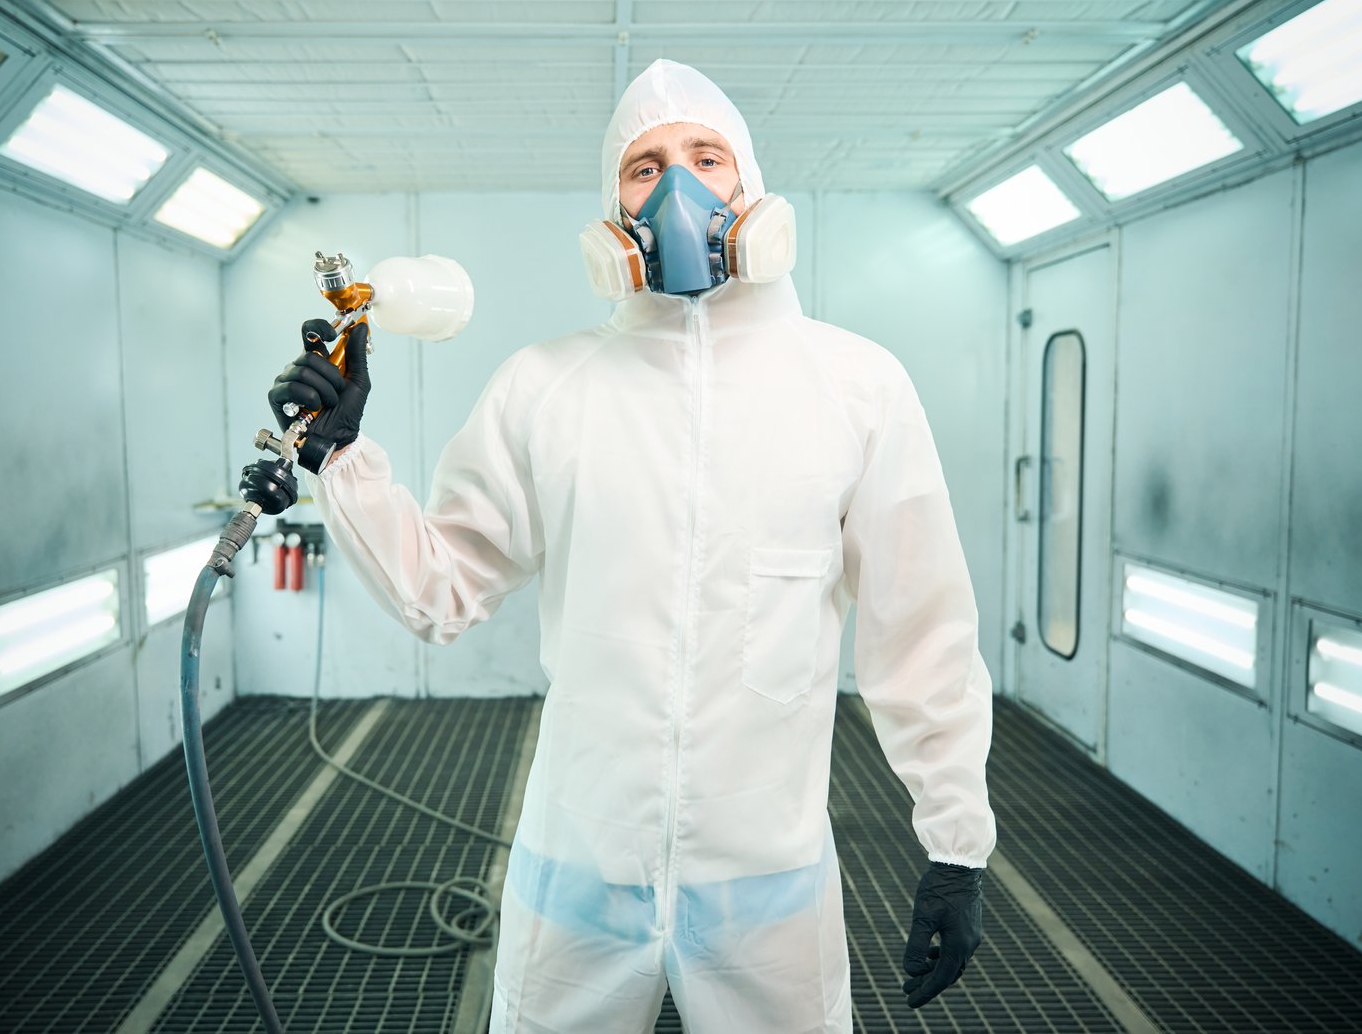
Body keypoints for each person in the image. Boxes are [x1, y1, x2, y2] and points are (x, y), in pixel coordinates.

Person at [268, 59, 996, 1034]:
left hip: (766, 884)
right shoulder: (546, 387)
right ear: (613, 204)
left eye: (706, 157)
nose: (680, 188)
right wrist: (344, 460)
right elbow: (436, 591)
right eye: (645, 167)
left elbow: (921, 628)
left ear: (750, 189)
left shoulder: (854, 388)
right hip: (575, 870)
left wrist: (955, 842)